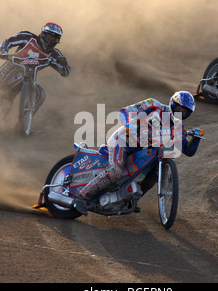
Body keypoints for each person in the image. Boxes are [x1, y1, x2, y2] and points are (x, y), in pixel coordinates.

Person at [72, 91, 202, 215]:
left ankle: (128, 199)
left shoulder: (178, 128)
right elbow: (125, 112)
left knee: (155, 173)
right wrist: (130, 123)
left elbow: (188, 151)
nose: (182, 112)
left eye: (185, 111)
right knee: (116, 171)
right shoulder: (154, 105)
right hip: (124, 140)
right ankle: (81, 197)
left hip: (141, 151)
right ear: (173, 104)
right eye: (179, 108)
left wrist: (196, 138)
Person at [0, 22, 71, 114]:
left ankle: (24, 123)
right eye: (48, 38)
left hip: (29, 77)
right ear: (42, 34)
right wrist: (4, 53)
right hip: (11, 66)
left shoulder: (55, 54)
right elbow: (7, 42)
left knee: (41, 95)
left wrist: (63, 63)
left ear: (57, 41)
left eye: (53, 39)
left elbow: (66, 73)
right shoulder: (27, 37)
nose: (49, 41)